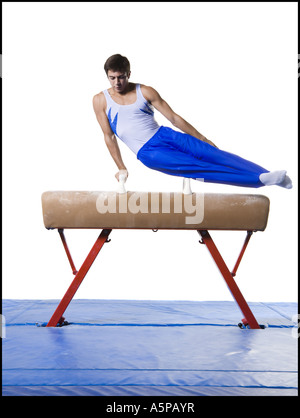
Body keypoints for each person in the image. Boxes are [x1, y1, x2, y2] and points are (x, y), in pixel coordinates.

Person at [93, 54, 292, 189]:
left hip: (165, 134)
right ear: (107, 77)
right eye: (112, 78)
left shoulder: (145, 91)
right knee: (199, 168)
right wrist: (121, 167)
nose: (117, 83)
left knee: (215, 154)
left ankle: (270, 176)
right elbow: (108, 136)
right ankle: (259, 181)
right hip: (149, 152)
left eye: (121, 77)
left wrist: (201, 137)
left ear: (129, 74)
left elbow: (173, 117)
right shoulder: (101, 100)